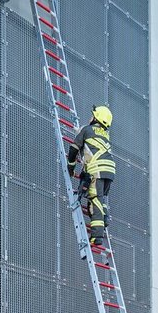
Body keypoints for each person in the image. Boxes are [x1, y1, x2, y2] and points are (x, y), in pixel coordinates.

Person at [66, 105, 115, 247]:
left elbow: (74, 148)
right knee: (100, 198)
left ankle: (97, 236)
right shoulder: (105, 134)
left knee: (95, 199)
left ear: (96, 118)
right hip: (109, 171)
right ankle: (104, 217)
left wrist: (71, 167)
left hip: (97, 170)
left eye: (92, 115)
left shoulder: (87, 130)